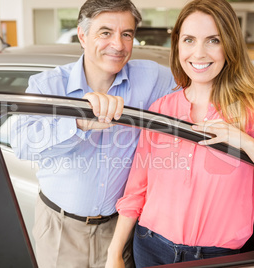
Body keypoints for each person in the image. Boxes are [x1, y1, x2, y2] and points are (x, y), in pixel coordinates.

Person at [106, 0, 254, 267]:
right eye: (189, 40)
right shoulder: (162, 108)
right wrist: (114, 252)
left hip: (218, 257)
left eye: (213, 40)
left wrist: (245, 141)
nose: (198, 53)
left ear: (230, 45)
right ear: (177, 45)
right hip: (150, 246)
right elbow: (137, 189)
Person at [10, 0, 177, 267]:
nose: (118, 45)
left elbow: (198, 90)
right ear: (82, 36)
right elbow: (20, 144)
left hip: (119, 231)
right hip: (60, 228)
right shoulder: (48, 85)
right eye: (105, 32)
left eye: (127, 34)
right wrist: (79, 123)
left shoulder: (153, 78)